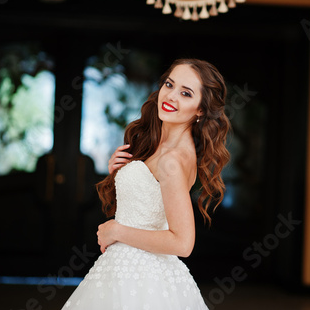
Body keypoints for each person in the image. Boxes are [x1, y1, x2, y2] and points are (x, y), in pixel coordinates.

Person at [62, 58, 231, 309]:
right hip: (124, 269)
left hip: (143, 278)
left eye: (185, 93)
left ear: (201, 110)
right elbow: (147, 207)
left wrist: (117, 231)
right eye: (169, 84)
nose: (171, 96)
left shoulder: (172, 160)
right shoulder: (158, 146)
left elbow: (183, 243)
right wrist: (120, 173)